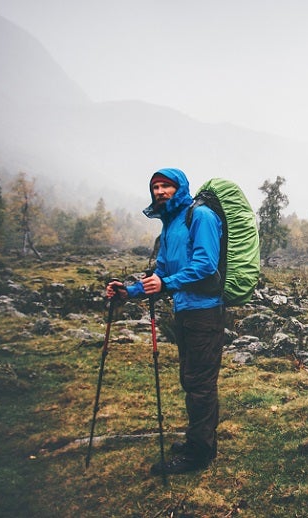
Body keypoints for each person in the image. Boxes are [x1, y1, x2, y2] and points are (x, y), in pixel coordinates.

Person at [106, 167, 224, 475]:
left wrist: (168, 284)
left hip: (205, 311)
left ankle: (199, 454)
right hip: (185, 311)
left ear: (180, 188)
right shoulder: (170, 225)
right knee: (191, 380)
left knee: (200, 383)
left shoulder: (201, 216)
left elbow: (206, 265)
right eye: (155, 187)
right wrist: (128, 292)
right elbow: (159, 274)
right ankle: (200, 442)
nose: (160, 191)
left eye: (166, 186)